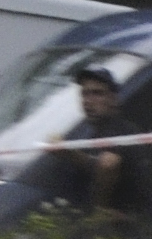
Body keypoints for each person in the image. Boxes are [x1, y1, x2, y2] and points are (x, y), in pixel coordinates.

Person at [47, 61, 137, 215]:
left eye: (97, 93)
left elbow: (108, 164)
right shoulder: (91, 132)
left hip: (130, 220)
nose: (88, 101)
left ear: (113, 99)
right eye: (84, 94)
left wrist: (97, 213)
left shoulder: (123, 131)